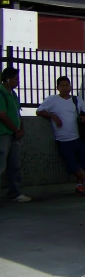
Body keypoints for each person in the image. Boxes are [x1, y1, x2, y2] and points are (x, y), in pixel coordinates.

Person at [36, 76, 85, 196]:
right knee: (71, 164)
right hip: (63, 139)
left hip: (79, 136)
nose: (65, 88)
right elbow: (39, 111)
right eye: (62, 86)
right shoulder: (52, 100)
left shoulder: (76, 100)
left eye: (67, 85)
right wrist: (53, 116)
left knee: (82, 162)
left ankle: (80, 185)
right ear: (57, 88)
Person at [0, 67, 32, 203]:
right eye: (15, 79)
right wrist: (15, 129)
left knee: (15, 164)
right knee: (1, 164)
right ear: (7, 79)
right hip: (4, 133)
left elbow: (18, 113)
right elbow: (2, 115)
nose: (17, 82)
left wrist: (21, 129)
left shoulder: (13, 94)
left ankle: (15, 192)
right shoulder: (1, 93)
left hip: (15, 134)